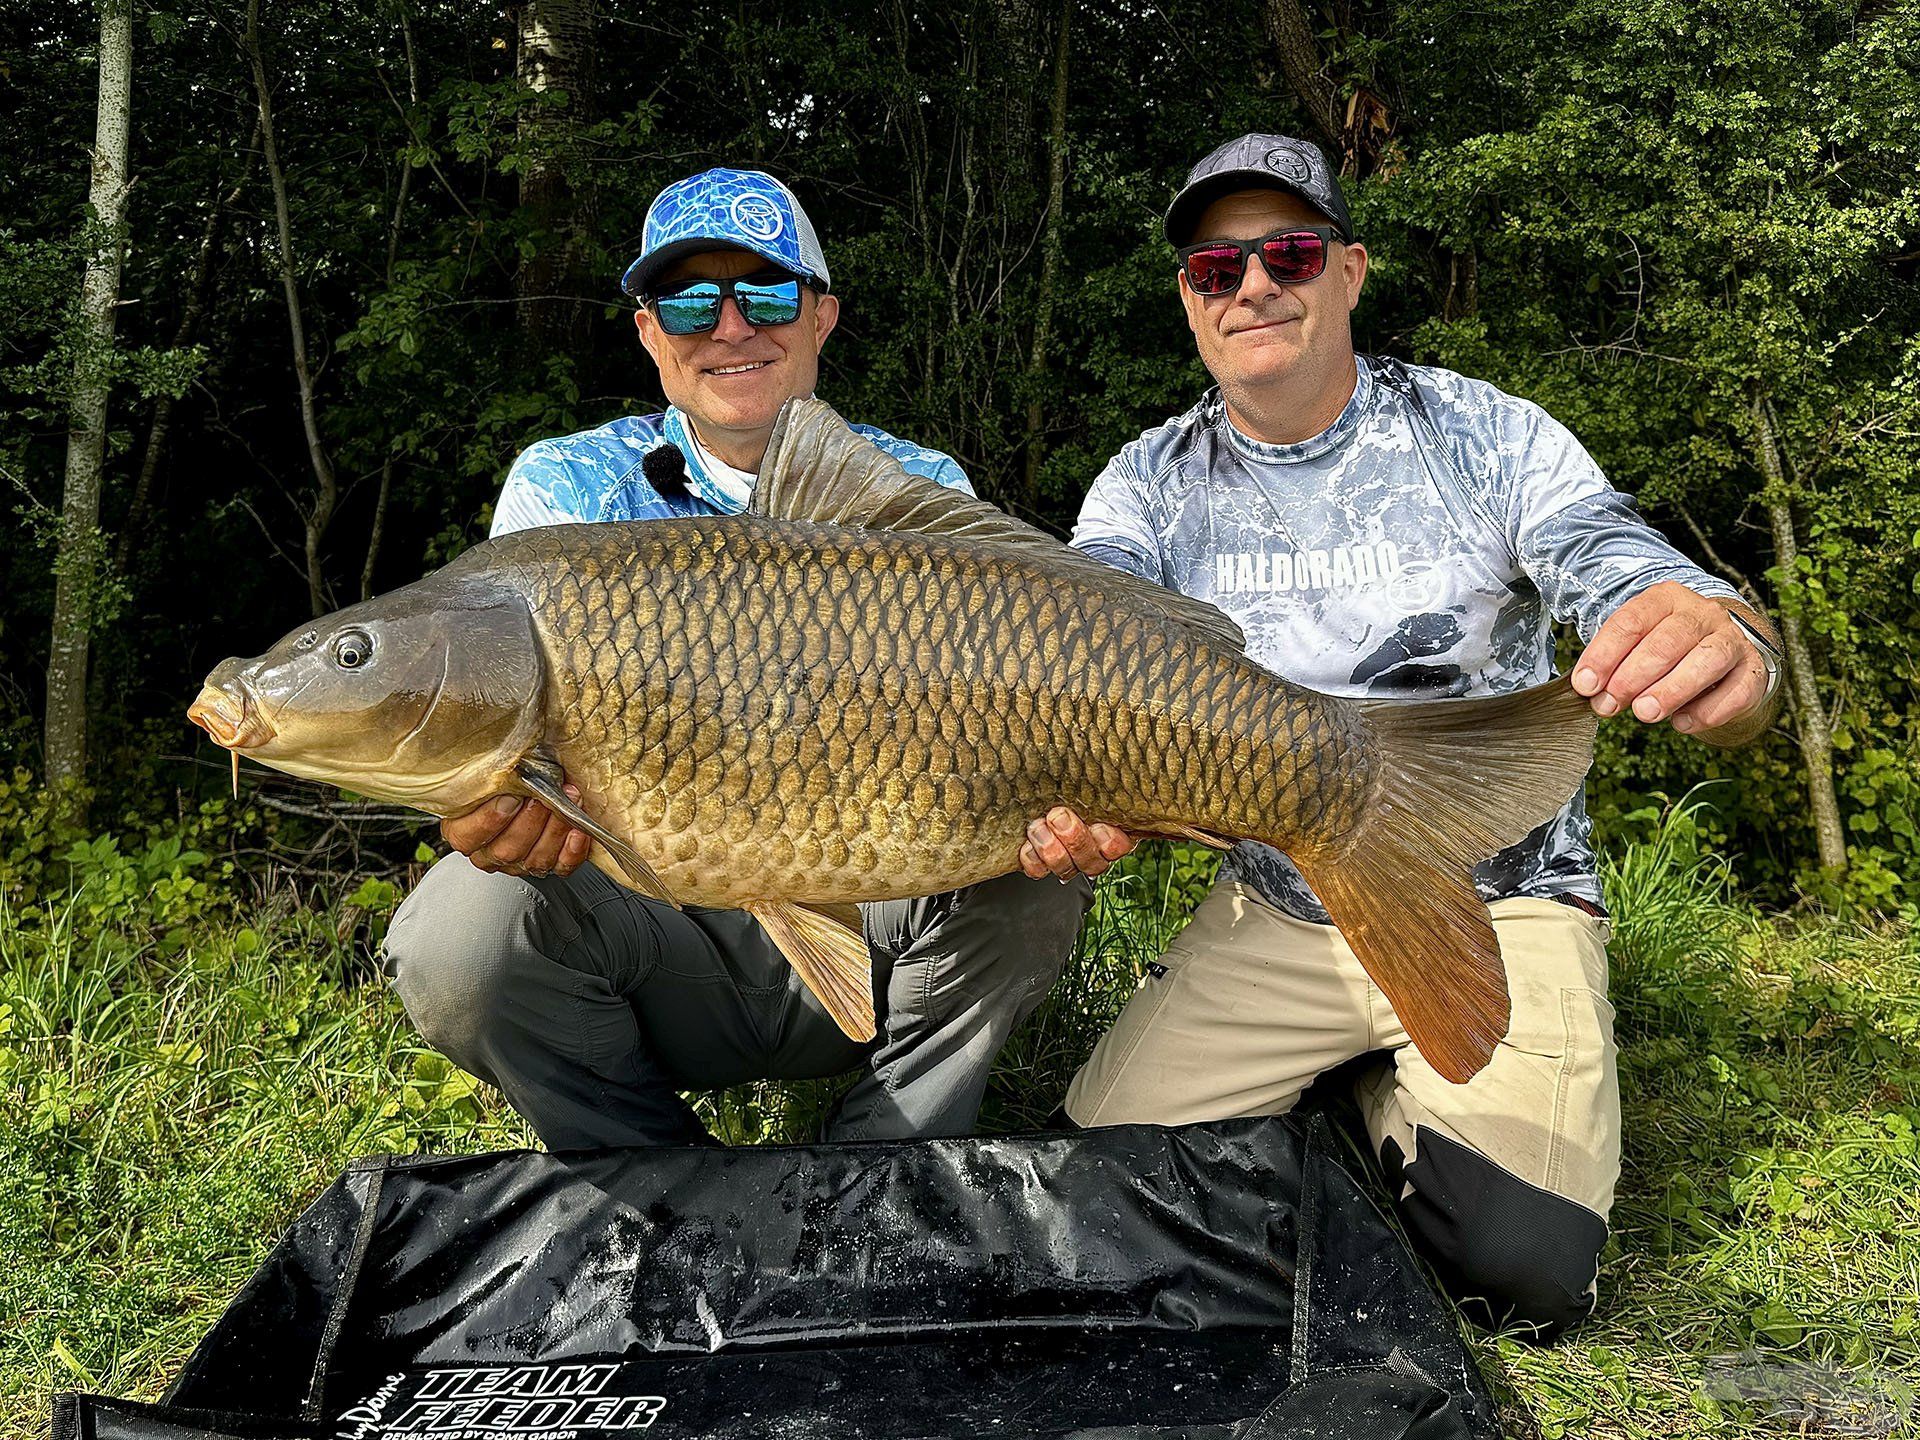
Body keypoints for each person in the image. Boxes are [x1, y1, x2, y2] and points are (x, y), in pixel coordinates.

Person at [1016, 134, 1783, 1336]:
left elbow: (1619, 561)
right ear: (1189, 297)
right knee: (1096, 1205)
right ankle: (1342, 1073)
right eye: (1218, 268)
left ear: (1350, 271)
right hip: (1280, 906)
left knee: (1518, 1271)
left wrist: (1726, 638)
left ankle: (1382, 1090)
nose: (1254, 286)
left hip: (1498, 892)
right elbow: (1079, 658)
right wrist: (1076, 794)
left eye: (1291, 253)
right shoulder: (1146, 483)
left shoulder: (1483, 433)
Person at [386, 167, 1091, 1151]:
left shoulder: (918, 490)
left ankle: (886, 1162)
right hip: (658, 938)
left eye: (764, 293)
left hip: (877, 911)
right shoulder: (562, 491)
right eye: (687, 299)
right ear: (647, 331)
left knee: (1041, 865)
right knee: (454, 936)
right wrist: (481, 804)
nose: (729, 327)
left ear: (822, 317)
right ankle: (652, 1183)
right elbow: (492, 734)